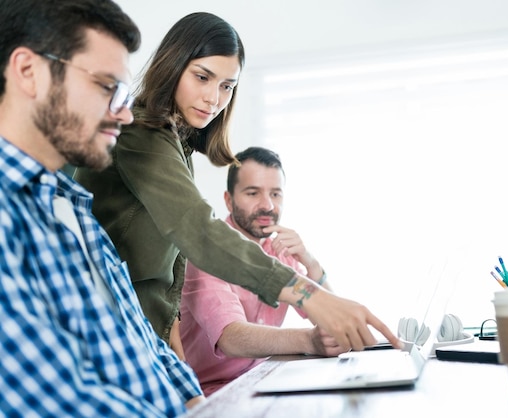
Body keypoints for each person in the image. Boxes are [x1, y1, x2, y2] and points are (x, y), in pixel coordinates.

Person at [73, 12, 400, 359]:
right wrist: (309, 295)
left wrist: (170, 336)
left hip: (142, 334)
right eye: (203, 77)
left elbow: (165, 265)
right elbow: (197, 230)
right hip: (104, 333)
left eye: (227, 86)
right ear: (173, 67)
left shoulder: (176, 145)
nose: (214, 98)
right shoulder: (142, 133)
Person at [0, 0, 204, 416]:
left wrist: (201, 405)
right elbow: (56, 399)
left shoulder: (74, 211)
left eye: (124, 93)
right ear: (28, 71)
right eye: (105, 87)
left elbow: (142, 344)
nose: (125, 113)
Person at [180, 146, 347, 395]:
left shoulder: (280, 251)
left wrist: (310, 263)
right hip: (208, 394)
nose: (267, 205)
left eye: (276, 194)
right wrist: (309, 340)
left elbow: (334, 318)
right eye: (253, 193)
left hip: (262, 380)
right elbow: (230, 337)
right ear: (229, 199)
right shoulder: (207, 254)